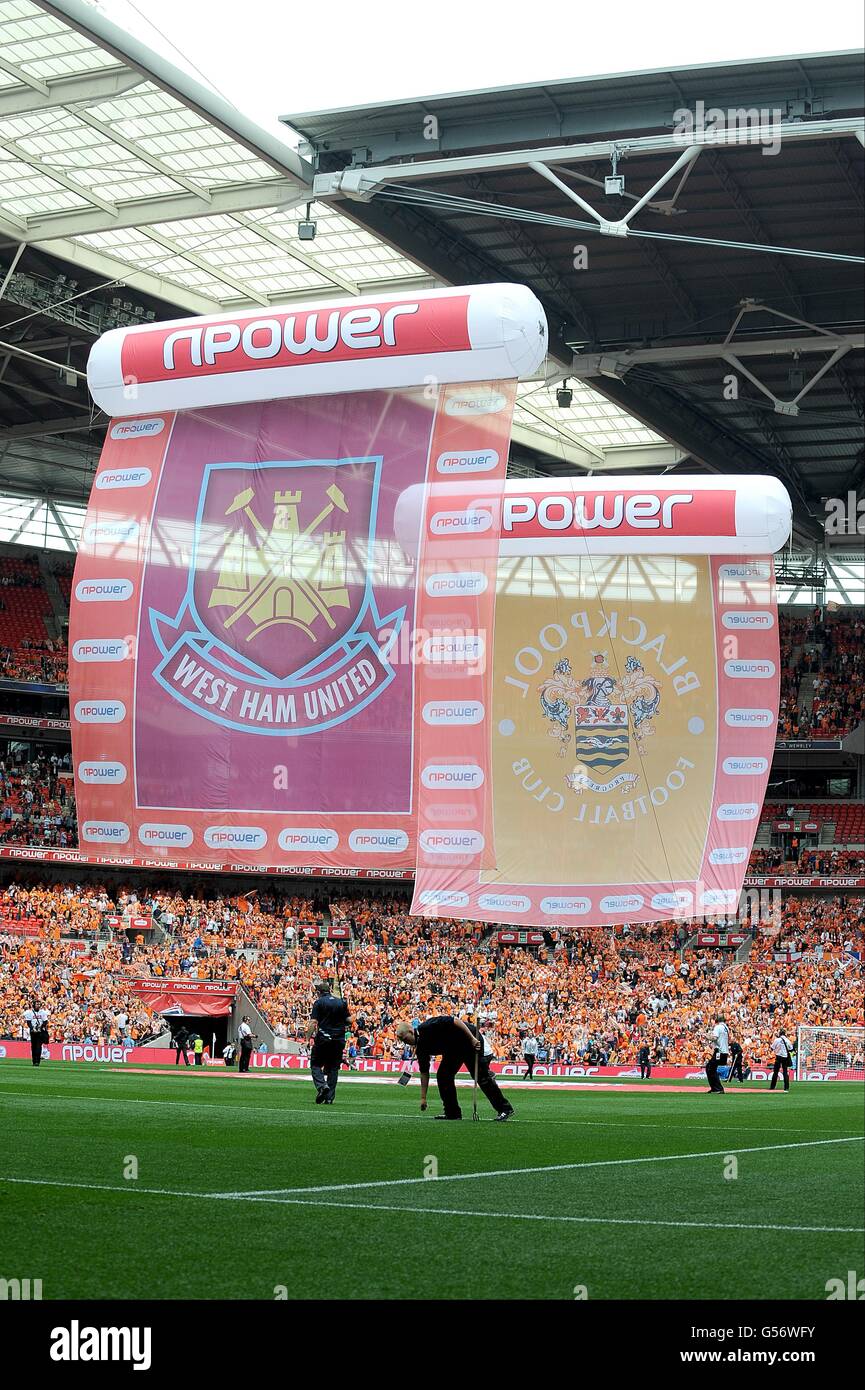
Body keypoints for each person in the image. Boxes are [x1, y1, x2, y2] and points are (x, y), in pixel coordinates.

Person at [396, 1015, 514, 1121]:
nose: (407, 1043)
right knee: (443, 1076)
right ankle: (452, 1113)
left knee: (480, 1077)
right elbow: (424, 1073)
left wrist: (472, 1039)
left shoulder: (428, 1026)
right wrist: (423, 1098)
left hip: (468, 1040)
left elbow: (456, 1021)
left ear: (411, 1031)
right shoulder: (420, 1049)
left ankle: (505, 1109)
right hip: (453, 1050)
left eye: (406, 1039)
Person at [307, 979, 349, 1105]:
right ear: (330, 990)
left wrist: (307, 1038)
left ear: (319, 992)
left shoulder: (319, 1002)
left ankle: (322, 1086)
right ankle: (330, 1097)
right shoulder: (341, 1002)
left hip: (324, 1038)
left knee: (315, 1064)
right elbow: (349, 1020)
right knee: (333, 1068)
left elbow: (313, 1022)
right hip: (339, 1039)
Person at [705, 1014, 730, 1094]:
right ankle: (715, 1088)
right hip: (724, 1051)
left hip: (719, 1051)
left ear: (716, 1021)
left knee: (710, 1068)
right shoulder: (726, 1028)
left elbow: (714, 1037)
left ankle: (718, 1088)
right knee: (710, 1067)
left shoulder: (718, 1027)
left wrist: (707, 1036)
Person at [23, 999, 49, 1067]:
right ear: (33, 1005)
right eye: (37, 1004)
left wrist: (41, 1027)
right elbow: (28, 1022)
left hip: (40, 1031)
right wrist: (32, 1028)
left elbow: (45, 1021)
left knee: (38, 1046)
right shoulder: (29, 1013)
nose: (38, 1006)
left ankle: (38, 1061)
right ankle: (34, 1061)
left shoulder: (42, 1012)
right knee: (33, 1046)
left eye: (39, 1004)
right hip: (33, 1032)